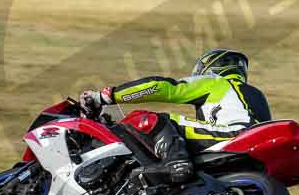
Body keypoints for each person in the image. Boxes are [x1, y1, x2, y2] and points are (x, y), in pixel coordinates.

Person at [80, 49, 271, 185]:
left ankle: (176, 161)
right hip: (249, 150)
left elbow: (162, 87)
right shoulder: (255, 95)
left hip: (232, 136)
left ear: (211, 68)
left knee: (142, 119)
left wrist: (107, 96)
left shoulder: (216, 81)